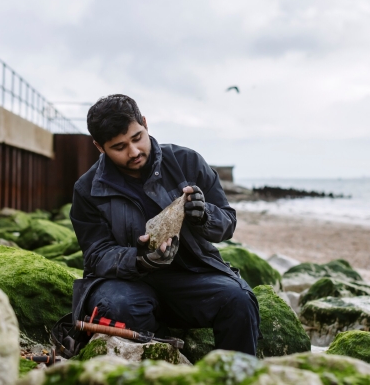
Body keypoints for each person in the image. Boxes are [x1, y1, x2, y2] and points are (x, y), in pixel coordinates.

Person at [70, 94, 260, 355]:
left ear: (145, 124)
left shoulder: (187, 162)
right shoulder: (87, 189)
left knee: (239, 300)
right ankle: (160, 367)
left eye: (137, 138)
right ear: (100, 147)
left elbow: (227, 224)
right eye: (119, 146)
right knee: (120, 306)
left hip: (191, 276)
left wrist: (204, 215)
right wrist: (140, 259)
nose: (134, 152)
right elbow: (96, 255)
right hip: (124, 283)